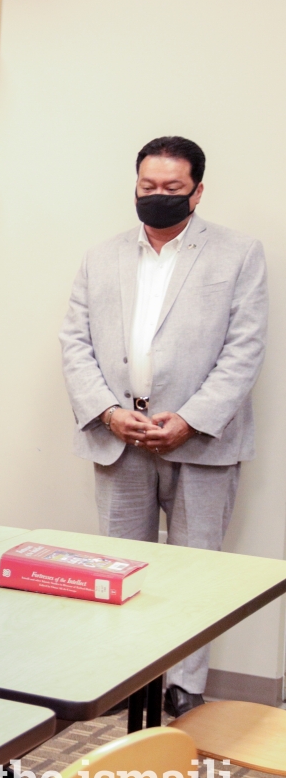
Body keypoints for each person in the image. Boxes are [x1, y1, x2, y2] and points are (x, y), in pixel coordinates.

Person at [60, 136, 268, 716]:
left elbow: (244, 349)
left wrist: (191, 419)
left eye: (172, 189)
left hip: (202, 440)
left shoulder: (239, 253)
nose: (158, 197)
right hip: (119, 437)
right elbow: (74, 342)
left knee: (196, 573)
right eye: (147, 187)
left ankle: (185, 687)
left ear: (197, 191)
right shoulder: (101, 256)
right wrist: (106, 411)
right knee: (121, 571)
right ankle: (126, 680)